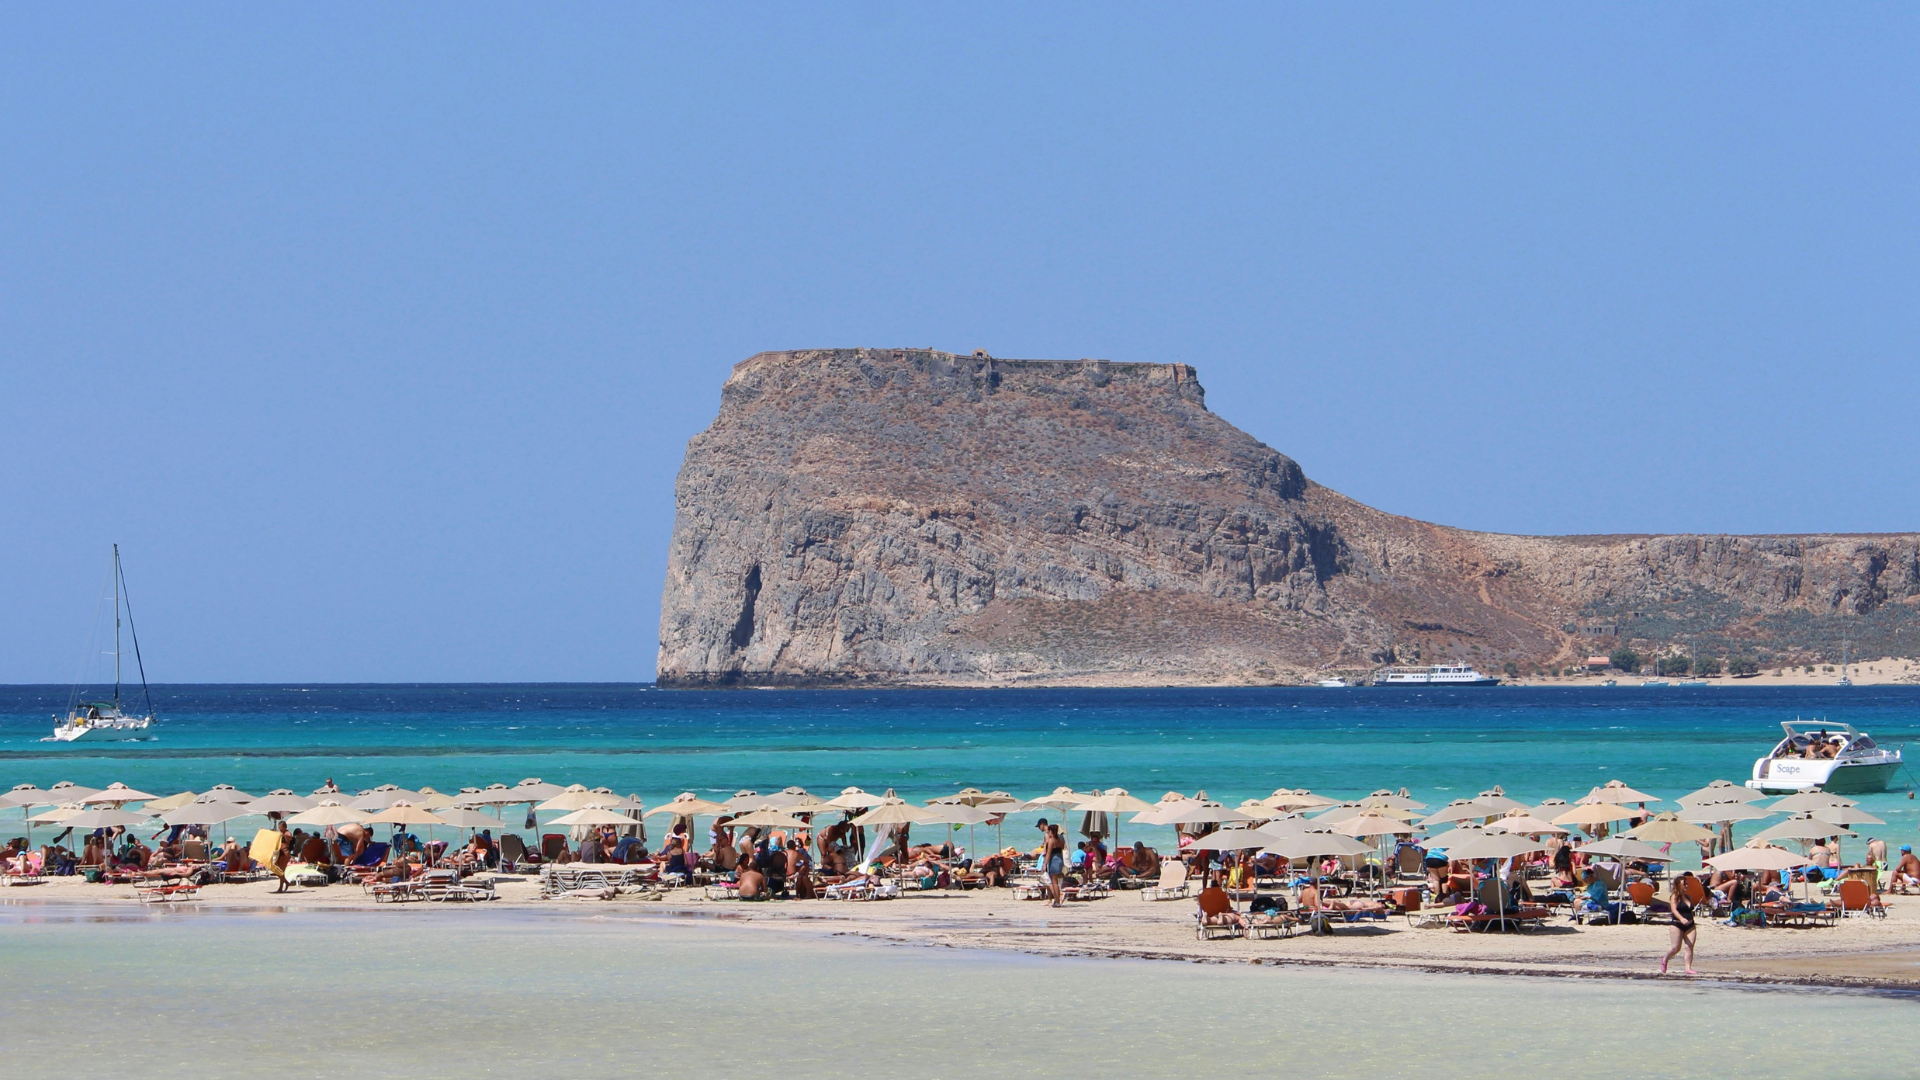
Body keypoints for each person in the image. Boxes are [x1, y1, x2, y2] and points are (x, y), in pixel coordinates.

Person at [1661, 872, 1699, 975]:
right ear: (1678, 885)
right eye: (1684, 884)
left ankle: (1688, 968)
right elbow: (1674, 910)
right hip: (1677, 924)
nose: (1686, 886)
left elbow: (1690, 910)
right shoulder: (1674, 896)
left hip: (1690, 925)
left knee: (1689, 946)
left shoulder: (1689, 897)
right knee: (1675, 948)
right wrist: (1682, 919)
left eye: (1687, 884)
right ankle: (1665, 959)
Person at [1039, 820, 1066, 908]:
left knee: (1054, 882)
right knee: (1056, 881)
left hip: (1053, 860)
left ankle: (1057, 901)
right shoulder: (1059, 839)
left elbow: (1049, 853)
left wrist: (1045, 864)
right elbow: (1062, 848)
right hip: (1059, 859)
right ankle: (1057, 901)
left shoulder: (1051, 841)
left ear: (1051, 831)